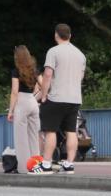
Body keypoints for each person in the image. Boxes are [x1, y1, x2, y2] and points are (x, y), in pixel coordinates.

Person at [34, 23, 86, 175]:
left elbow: (48, 74)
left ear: (56, 35)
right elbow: (80, 76)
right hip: (74, 98)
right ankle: (69, 164)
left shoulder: (53, 51)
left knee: (50, 131)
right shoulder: (80, 55)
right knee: (71, 131)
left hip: (56, 97)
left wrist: (44, 95)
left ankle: (46, 164)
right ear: (70, 36)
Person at [8, 45, 43, 164]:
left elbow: (14, 92)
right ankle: (36, 165)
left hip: (22, 103)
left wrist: (11, 111)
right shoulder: (35, 70)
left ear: (17, 57)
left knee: (21, 138)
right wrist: (42, 96)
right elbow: (44, 85)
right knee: (34, 136)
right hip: (33, 102)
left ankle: (24, 167)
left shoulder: (16, 71)